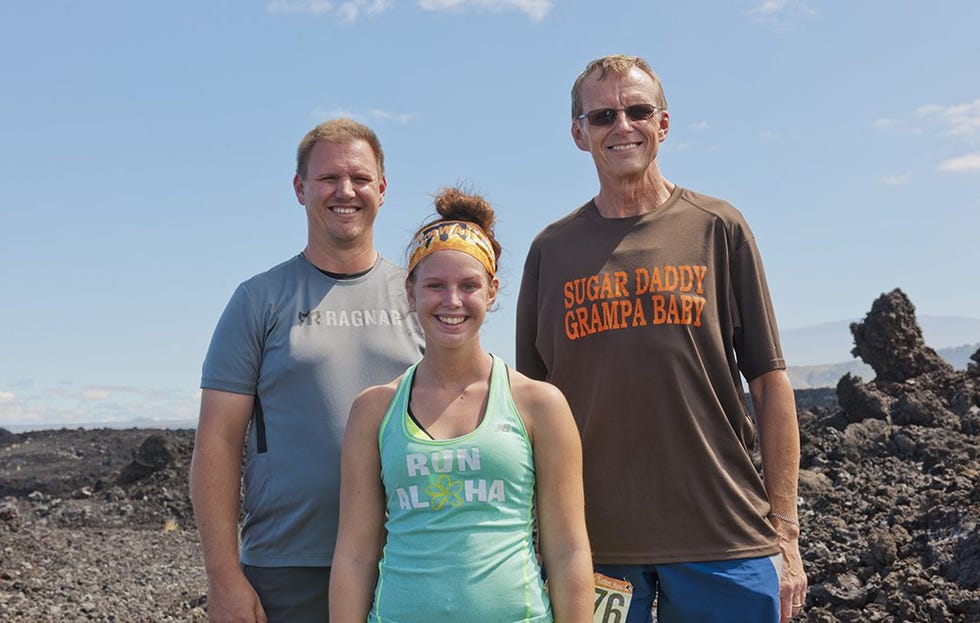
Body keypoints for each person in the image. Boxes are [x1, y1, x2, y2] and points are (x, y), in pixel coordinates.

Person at [515, 55, 808, 623]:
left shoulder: (718, 227)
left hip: (724, 538)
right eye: (602, 116)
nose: (621, 126)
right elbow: (529, 405)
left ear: (663, 123)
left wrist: (786, 531)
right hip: (592, 548)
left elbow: (770, 382)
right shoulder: (551, 251)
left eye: (637, 110)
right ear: (579, 134)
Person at [190, 119, 425, 623]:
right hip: (287, 567)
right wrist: (224, 579)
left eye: (360, 178)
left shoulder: (421, 297)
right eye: (328, 179)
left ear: (382, 188)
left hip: (407, 560)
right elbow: (217, 443)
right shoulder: (258, 300)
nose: (346, 191)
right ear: (300, 189)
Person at [330, 188, 594, 623]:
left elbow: (568, 550)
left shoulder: (538, 404)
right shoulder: (374, 410)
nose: (452, 301)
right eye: (435, 285)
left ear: (491, 292)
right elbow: (355, 555)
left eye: (469, 285)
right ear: (411, 293)